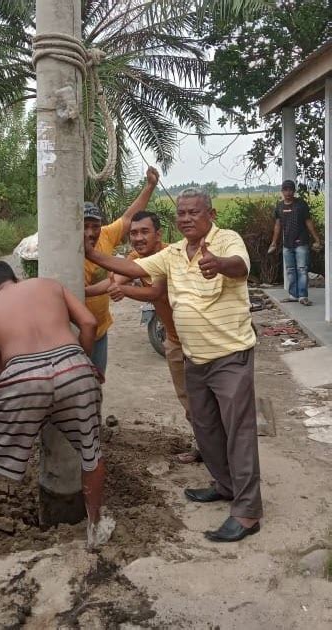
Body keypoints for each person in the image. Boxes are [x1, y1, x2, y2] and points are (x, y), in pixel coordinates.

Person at [84, 189, 263, 543]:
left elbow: (241, 266)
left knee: (238, 433)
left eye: (193, 212)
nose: (185, 218)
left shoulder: (226, 240)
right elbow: (132, 267)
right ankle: (225, 485)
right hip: (194, 357)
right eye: (181, 213)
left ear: (210, 214)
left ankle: (247, 512)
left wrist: (219, 264)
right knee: (207, 429)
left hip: (230, 356)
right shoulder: (174, 253)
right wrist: (90, 252)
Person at [0, 260, 115, 554]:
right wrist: (84, 364)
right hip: (73, 365)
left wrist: (15, 395)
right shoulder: (50, 285)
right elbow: (90, 324)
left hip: (22, 375)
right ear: (14, 277)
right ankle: (94, 530)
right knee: (90, 450)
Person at [96, 210, 201, 464]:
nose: (139, 238)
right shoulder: (134, 258)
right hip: (174, 341)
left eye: (144, 232)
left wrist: (123, 289)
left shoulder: (170, 255)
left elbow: (156, 292)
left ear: (158, 234)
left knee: (206, 399)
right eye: (133, 233)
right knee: (187, 399)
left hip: (198, 340)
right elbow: (115, 280)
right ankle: (201, 446)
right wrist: (79, 289)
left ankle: (218, 451)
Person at [84, 166, 159, 376]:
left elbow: (128, 218)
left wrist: (150, 186)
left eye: (95, 226)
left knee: (97, 381)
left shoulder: (106, 236)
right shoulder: (65, 254)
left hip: (100, 330)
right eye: (84, 226)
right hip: (74, 334)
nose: (90, 232)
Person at [268, 180, 321, 306]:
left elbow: (308, 221)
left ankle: (303, 296)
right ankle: (293, 295)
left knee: (302, 269)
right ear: (282, 191)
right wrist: (274, 243)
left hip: (301, 242)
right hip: (287, 244)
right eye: (285, 190)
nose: (288, 192)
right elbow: (277, 225)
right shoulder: (279, 206)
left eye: (290, 189)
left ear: (294, 191)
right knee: (290, 270)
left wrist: (316, 239)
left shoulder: (300, 205)